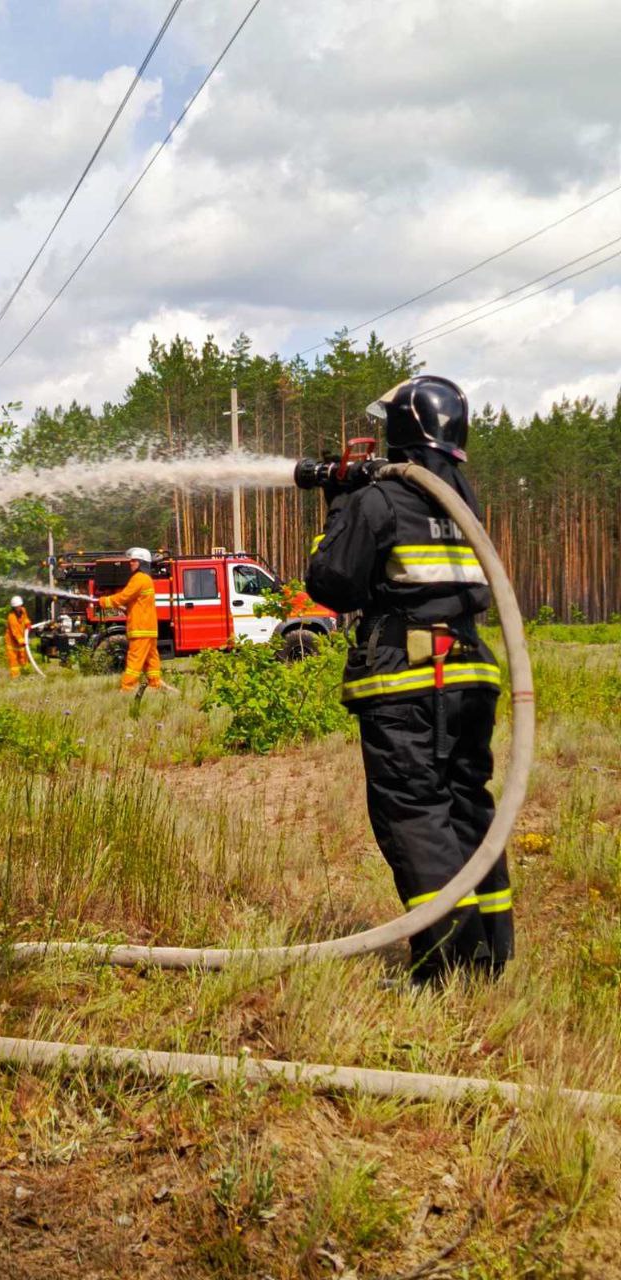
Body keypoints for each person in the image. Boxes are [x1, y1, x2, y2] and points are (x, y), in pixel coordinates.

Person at [305, 375, 513, 985]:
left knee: (415, 813)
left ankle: (446, 964)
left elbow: (333, 582)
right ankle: (490, 952)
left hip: (408, 680)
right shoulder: (462, 500)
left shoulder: (380, 500)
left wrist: (341, 504)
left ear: (402, 431)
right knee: (468, 808)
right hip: (471, 673)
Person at [96, 547, 162, 691]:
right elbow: (132, 601)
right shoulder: (147, 579)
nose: (130, 563)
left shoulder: (138, 579)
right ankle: (155, 684)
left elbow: (123, 597)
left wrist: (103, 601)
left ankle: (127, 687)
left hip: (140, 628)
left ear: (142, 563)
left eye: (134, 561)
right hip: (149, 628)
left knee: (135, 659)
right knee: (152, 660)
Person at [4, 595, 31, 679]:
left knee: (23, 657)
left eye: (19, 606)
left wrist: (28, 624)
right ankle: (15, 677)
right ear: (13, 607)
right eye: (16, 607)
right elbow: (14, 631)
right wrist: (21, 640)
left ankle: (25, 673)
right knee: (13, 660)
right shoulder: (11, 617)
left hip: (21, 639)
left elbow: (26, 619)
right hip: (12, 642)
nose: (18, 608)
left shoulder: (23, 611)